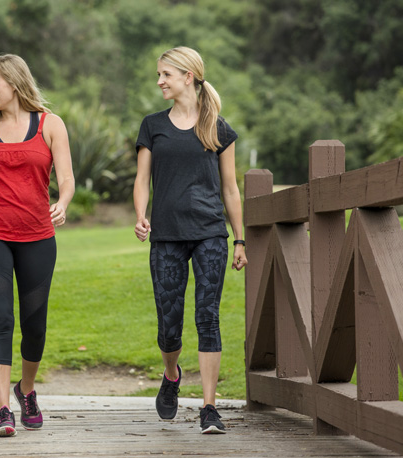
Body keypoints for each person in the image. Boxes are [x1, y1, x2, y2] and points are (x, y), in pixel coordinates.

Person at [133, 46, 247, 434]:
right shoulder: (152, 125)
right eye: (159, 74)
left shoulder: (218, 128)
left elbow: (231, 190)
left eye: (166, 74)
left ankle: (209, 407)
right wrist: (140, 215)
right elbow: (141, 179)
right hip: (166, 235)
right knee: (169, 325)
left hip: (210, 234)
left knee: (207, 317)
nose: (160, 81)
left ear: (188, 76)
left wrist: (240, 240)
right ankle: (172, 374)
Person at [0, 54, 75, 438]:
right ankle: (3, 410)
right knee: (1, 319)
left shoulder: (49, 124)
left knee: (34, 324)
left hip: (38, 236)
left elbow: (67, 177)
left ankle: (26, 391)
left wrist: (62, 202)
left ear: (13, 82)